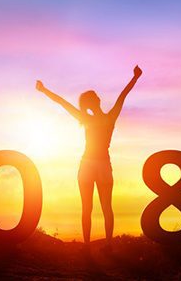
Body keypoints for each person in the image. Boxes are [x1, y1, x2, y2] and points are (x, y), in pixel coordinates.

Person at [36, 65, 142, 251]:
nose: (99, 97)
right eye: (96, 96)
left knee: (91, 208)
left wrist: (43, 90)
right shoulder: (108, 117)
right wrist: (135, 78)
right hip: (100, 165)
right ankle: (104, 244)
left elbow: (62, 103)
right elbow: (122, 95)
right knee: (104, 207)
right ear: (95, 101)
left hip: (89, 165)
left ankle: (90, 245)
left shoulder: (86, 119)